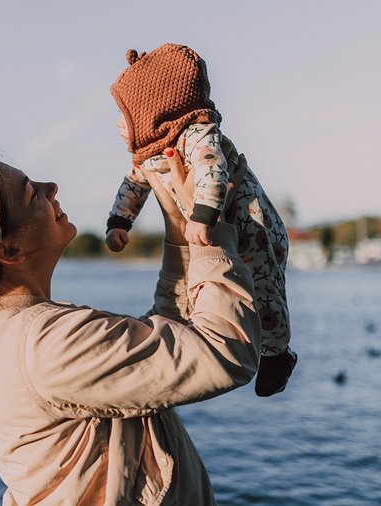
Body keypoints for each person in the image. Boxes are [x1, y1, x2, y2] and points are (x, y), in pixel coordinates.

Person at [0, 151, 262, 504]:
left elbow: (170, 337)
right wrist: (207, 234)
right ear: (9, 250)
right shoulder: (44, 342)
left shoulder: (13, 334)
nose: (51, 187)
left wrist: (181, 226)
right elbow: (225, 350)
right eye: (31, 193)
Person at [105, 43, 296, 394]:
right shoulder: (148, 152)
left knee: (266, 291)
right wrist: (119, 221)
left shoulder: (195, 134)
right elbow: (134, 183)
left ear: (155, 110)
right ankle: (205, 337)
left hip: (253, 229)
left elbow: (214, 166)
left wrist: (203, 213)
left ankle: (277, 354)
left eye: (125, 113)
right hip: (213, 235)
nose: (119, 124)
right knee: (209, 290)